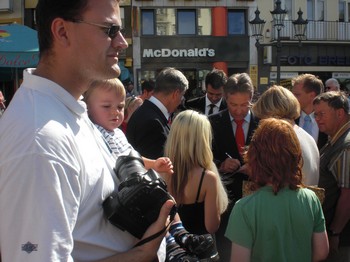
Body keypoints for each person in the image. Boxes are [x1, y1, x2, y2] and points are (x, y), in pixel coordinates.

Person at [0, 0, 175, 261]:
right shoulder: (41, 140)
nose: (122, 42)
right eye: (109, 30)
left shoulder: (69, 111)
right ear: (62, 31)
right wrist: (141, 254)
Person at [225, 118, 329, 262]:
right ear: (296, 155)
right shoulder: (311, 199)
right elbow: (321, 252)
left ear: (255, 157)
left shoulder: (244, 208)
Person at [209, 72, 259, 262]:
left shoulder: (263, 122)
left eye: (244, 105)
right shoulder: (212, 122)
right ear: (225, 98)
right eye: (233, 105)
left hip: (256, 199)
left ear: (251, 99)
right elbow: (204, 159)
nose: (239, 110)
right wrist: (220, 164)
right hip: (225, 203)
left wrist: (257, 167)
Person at [163, 109, 229, 233]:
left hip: (168, 247)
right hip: (198, 248)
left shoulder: (161, 171)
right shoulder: (207, 178)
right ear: (202, 140)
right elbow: (212, 226)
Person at [252, 85, 320, 186]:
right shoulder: (306, 136)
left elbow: (272, 183)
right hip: (306, 199)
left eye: (262, 117)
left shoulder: (279, 137)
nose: (261, 122)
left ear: (268, 114)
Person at [313, 91, 350, 261]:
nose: (317, 119)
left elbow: (347, 195)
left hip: (340, 239)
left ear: (340, 113)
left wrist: (335, 232)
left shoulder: (346, 146)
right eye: (315, 115)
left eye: (322, 114)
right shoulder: (336, 138)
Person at [126, 67, 188, 159]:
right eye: (182, 96)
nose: (180, 102)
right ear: (175, 94)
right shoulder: (152, 122)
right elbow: (156, 166)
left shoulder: (148, 113)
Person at [292, 73, 328, 149]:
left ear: (312, 95)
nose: (292, 98)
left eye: (297, 94)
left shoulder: (329, 120)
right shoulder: (290, 118)